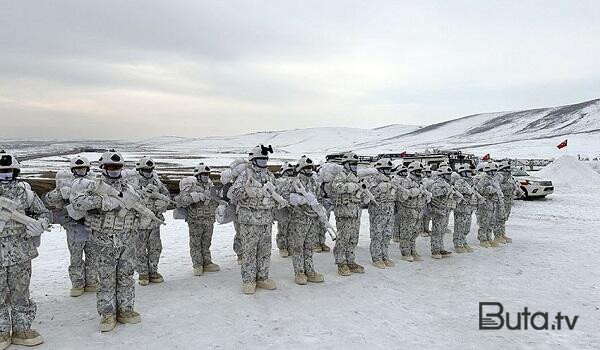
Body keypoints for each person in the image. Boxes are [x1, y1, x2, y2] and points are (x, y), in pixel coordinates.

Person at [70, 150, 142, 332]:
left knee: (126, 276)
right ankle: (107, 314)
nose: (114, 170)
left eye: (117, 167)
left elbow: (138, 207)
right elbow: (77, 203)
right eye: (110, 167)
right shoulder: (93, 186)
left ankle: (126, 309)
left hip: (127, 240)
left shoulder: (128, 188)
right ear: (103, 168)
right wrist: (103, 202)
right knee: (106, 279)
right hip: (103, 242)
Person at [0, 151, 49, 348]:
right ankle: (2, 331)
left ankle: (22, 329)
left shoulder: (26, 194)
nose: (5, 177)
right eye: (1, 173)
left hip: (20, 252)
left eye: (8, 173)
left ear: (16, 172)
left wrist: (41, 224)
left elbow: (44, 213)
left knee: (21, 293)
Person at [228, 145, 286, 294]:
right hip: (249, 221)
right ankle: (248, 280)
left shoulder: (269, 176)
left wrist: (272, 200)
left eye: (265, 160)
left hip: (266, 220)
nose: (263, 164)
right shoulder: (246, 175)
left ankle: (262, 278)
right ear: (253, 160)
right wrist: (249, 192)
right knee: (249, 251)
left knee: (265, 251)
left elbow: (277, 194)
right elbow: (233, 193)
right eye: (260, 160)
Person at [44, 156, 97, 296]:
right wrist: (60, 192)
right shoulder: (65, 183)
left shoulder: (94, 183)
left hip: (92, 225)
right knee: (76, 257)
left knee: (93, 256)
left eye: (83, 168)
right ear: (73, 169)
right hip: (74, 226)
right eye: (78, 168)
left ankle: (91, 282)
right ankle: (77, 284)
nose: (81, 170)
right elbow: (49, 199)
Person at [130, 157, 170, 285]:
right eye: (145, 170)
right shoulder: (133, 183)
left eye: (150, 170)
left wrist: (163, 203)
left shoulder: (157, 182)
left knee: (155, 247)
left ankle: (153, 271)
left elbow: (167, 196)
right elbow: (128, 199)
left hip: (154, 222)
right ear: (140, 170)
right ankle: (143, 273)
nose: (148, 172)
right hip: (139, 223)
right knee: (139, 249)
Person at [175, 163, 220, 276]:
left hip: (209, 220)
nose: (206, 176)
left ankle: (207, 262)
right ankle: (197, 265)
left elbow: (215, 199)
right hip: (195, 220)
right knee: (195, 244)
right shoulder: (190, 185)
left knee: (206, 243)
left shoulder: (210, 185)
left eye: (207, 174)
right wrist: (193, 197)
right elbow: (181, 200)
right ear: (198, 175)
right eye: (203, 174)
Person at [286, 156, 325, 284]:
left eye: (310, 168)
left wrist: (321, 209)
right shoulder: (294, 182)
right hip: (298, 219)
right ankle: (299, 272)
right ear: (301, 169)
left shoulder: (314, 182)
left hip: (312, 220)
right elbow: (284, 195)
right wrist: (296, 199)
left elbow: (320, 197)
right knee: (297, 247)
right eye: (306, 168)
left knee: (309, 246)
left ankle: (310, 270)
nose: (309, 170)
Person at [331, 152, 367, 276]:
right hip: (344, 213)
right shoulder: (340, 176)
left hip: (355, 213)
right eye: (352, 163)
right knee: (343, 238)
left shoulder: (357, 177)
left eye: (356, 164)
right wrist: (353, 186)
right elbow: (337, 187)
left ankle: (350, 261)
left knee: (353, 239)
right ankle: (341, 262)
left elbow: (361, 194)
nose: (355, 166)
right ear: (346, 164)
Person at [394, 161, 430, 262]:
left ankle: (413, 250)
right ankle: (405, 252)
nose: (420, 172)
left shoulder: (421, 182)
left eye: (420, 171)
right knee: (406, 233)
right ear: (412, 171)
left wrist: (425, 196)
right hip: (407, 211)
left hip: (418, 211)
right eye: (417, 171)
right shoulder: (406, 181)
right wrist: (411, 193)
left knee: (415, 232)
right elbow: (400, 197)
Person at [367, 158, 396, 268]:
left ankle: (385, 256)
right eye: (386, 169)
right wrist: (380, 188)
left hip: (389, 212)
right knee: (377, 235)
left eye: (389, 169)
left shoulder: (391, 180)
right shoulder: (374, 179)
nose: (388, 171)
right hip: (378, 213)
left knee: (387, 235)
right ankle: (376, 258)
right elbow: (370, 193)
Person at [452, 164, 481, 253]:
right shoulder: (459, 181)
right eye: (468, 172)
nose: (470, 173)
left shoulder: (472, 182)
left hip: (469, 208)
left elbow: (476, 192)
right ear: (463, 172)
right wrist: (470, 190)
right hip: (461, 208)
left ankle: (464, 241)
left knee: (466, 227)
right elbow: (460, 190)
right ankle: (458, 244)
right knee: (459, 227)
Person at [474, 163, 504, 248]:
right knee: (484, 222)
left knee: (491, 222)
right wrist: (489, 190)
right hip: (486, 204)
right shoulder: (484, 179)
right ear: (489, 171)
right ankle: (482, 239)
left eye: (495, 170)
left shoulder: (494, 179)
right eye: (493, 170)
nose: (494, 172)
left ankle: (489, 238)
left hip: (494, 204)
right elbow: (479, 190)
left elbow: (498, 190)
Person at [494, 161, 522, 244]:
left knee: (504, 218)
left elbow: (515, 185)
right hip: (501, 200)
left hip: (508, 200)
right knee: (499, 218)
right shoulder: (499, 176)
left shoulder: (510, 177)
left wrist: (518, 191)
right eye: (508, 168)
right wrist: (509, 187)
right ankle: (497, 235)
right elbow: (497, 187)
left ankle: (502, 234)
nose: (509, 170)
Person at [274, 162, 295, 257]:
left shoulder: (295, 181)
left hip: (294, 209)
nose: (289, 174)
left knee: (292, 229)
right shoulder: (279, 181)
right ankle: (282, 247)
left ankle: (290, 246)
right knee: (283, 229)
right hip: (283, 209)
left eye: (291, 172)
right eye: (288, 172)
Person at [391, 164, 408, 243]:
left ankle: (401, 234)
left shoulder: (407, 180)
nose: (405, 173)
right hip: (397, 202)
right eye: (403, 172)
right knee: (397, 219)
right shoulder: (396, 179)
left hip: (404, 202)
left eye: (405, 172)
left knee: (403, 219)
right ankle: (395, 235)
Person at [420, 165, 434, 236]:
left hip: (429, 200)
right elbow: (423, 190)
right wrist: (429, 194)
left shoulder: (430, 180)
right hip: (423, 200)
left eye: (430, 172)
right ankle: (422, 230)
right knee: (422, 215)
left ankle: (426, 228)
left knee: (428, 215)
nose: (429, 173)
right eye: (428, 172)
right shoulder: (422, 180)